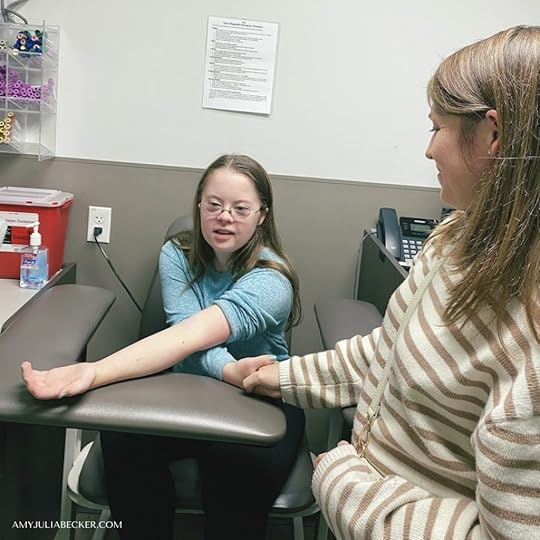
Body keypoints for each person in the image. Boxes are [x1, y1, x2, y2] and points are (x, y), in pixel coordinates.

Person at [244, 26, 540, 539]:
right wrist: (282, 376)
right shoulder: (455, 237)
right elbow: (386, 354)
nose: (428, 151)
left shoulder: (529, 343)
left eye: (436, 127)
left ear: (493, 136)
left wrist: (344, 488)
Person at [21, 154, 306, 540]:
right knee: (124, 439)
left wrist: (94, 372)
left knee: (232, 472)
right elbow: (184, 333)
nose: (224, 217)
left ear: (262, 215)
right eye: (214, 205)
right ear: (199, 206)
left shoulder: (272, 280)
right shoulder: (177, 253)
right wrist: (227, 369)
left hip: (262, 401)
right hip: (187, 392)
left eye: (241, 208)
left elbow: (189, 338)